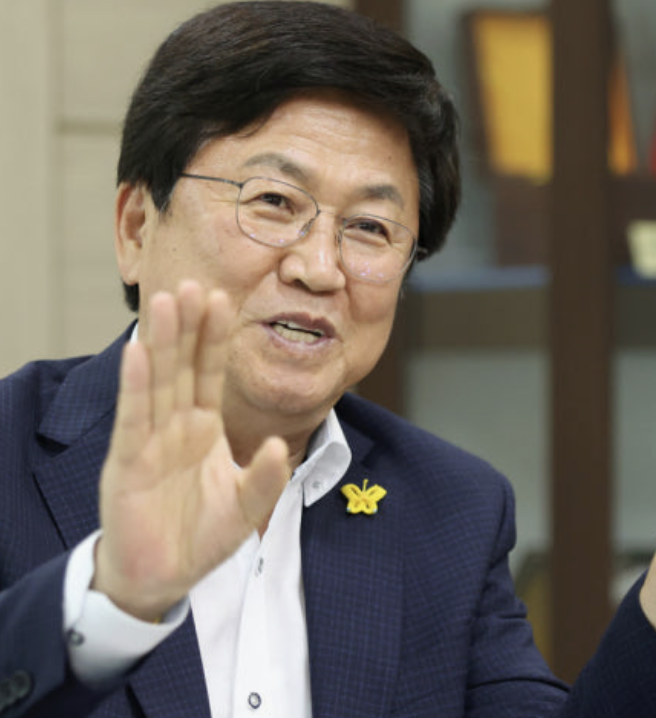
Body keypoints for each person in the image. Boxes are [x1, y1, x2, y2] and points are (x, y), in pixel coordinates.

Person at [1, 2, 656, 717]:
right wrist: (113, 599)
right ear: (135, 227)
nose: (319, 268)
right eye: (273, 201)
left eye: (370, 227)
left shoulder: (450, 509)